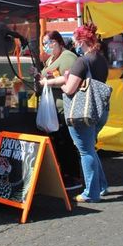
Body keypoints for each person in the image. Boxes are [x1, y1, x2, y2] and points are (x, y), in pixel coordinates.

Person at [55, 23, 109, 203]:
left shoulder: (82, 61)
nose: (74, 44)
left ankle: (91, 193)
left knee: (85, 151)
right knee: (90, 149)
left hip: (83, 112)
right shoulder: (100, 58)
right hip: (100, 110)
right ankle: (100, 186)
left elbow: (70, 89)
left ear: (81, 41)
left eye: (76, 40)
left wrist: (63, 82)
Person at [36, 31, 81, 188]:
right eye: (43, 44)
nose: (45, 47)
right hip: (52, 107)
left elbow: (69, 77)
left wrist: (49, 82)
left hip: (64, 107)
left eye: (46, 43)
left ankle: (73, 176)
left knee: (66, 142)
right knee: (59, 142)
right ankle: (65, 173)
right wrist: (37, 76)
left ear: (56, 42)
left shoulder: (67, 56)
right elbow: (46, 77)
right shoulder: (51, 59)